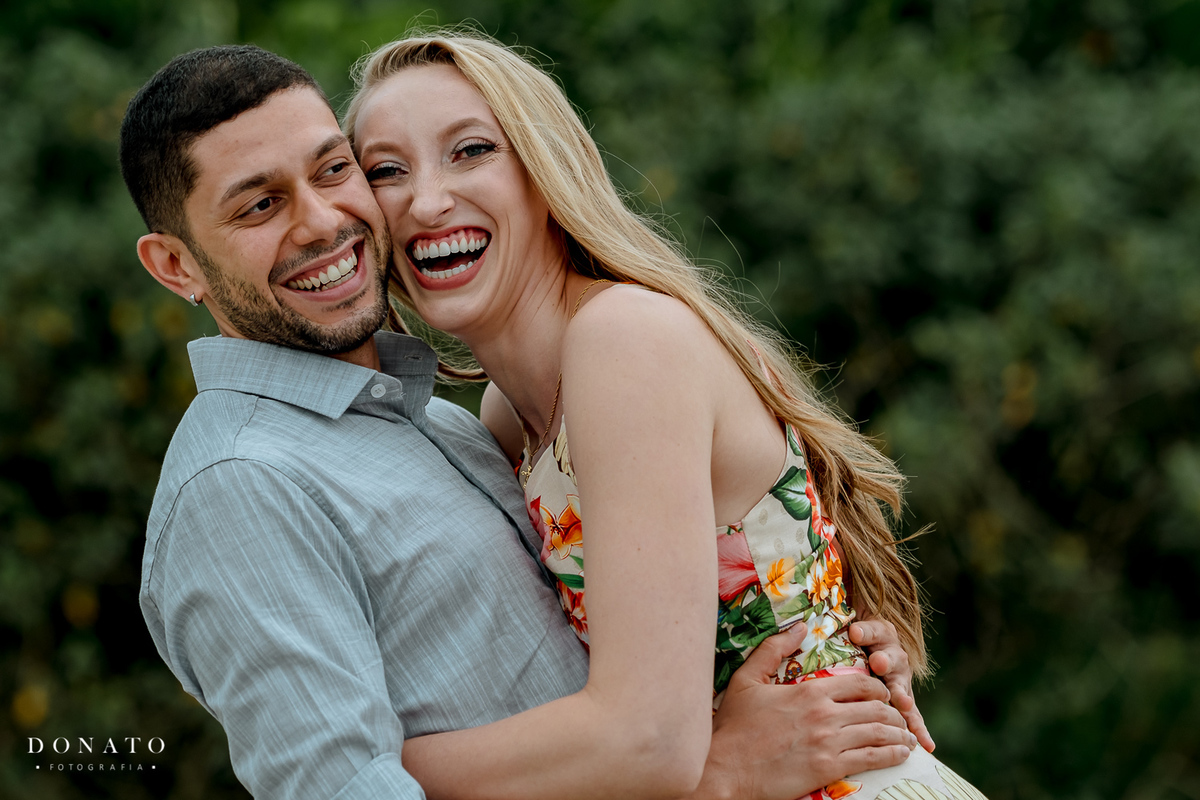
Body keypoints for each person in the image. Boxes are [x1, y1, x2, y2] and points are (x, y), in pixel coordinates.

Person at [121, 44, 925, 800]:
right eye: (260, 204)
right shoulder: (240, 482)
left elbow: (648, 681)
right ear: (175, 265)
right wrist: (716, 774)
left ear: (545, 166)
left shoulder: (462, 420)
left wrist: (825, 645)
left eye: (336, 171)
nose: (324, 221)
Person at [346, 31, 988, 800]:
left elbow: (644, 741)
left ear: (546, 170)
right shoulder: (508, 415)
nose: (425, 199)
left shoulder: (623, 340)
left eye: (471, 150)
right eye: (386, 171)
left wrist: (350, 767)